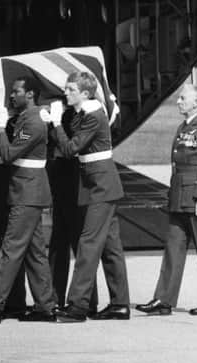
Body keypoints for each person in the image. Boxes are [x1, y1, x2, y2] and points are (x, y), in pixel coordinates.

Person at [46, 71, 130, 322]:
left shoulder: (92, 115)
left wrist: (57, 123)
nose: (66, 92)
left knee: (88, 243)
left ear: (85, 93)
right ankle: (120, 304)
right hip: (97, 184)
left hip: (100, 186)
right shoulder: (86, 114)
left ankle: (78, 305)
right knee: (110, 247)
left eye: (71, 89)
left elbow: (71, 148)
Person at [0, 77, 57, 323]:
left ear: (30, 94)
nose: (12, 96)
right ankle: (45, 306)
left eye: (16, 91)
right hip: (25, 191)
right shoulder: (27, 118)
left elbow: (9, 154)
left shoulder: (33, 121)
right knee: (34, 253)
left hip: (27, 193)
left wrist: (0, 129)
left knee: (11, 249)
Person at [135, 84, 197, 316]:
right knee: (173, 250)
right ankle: (163, 300)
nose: (178, 101)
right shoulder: (183, 127)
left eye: (183, 98)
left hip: (196, 199)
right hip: (179, 199)